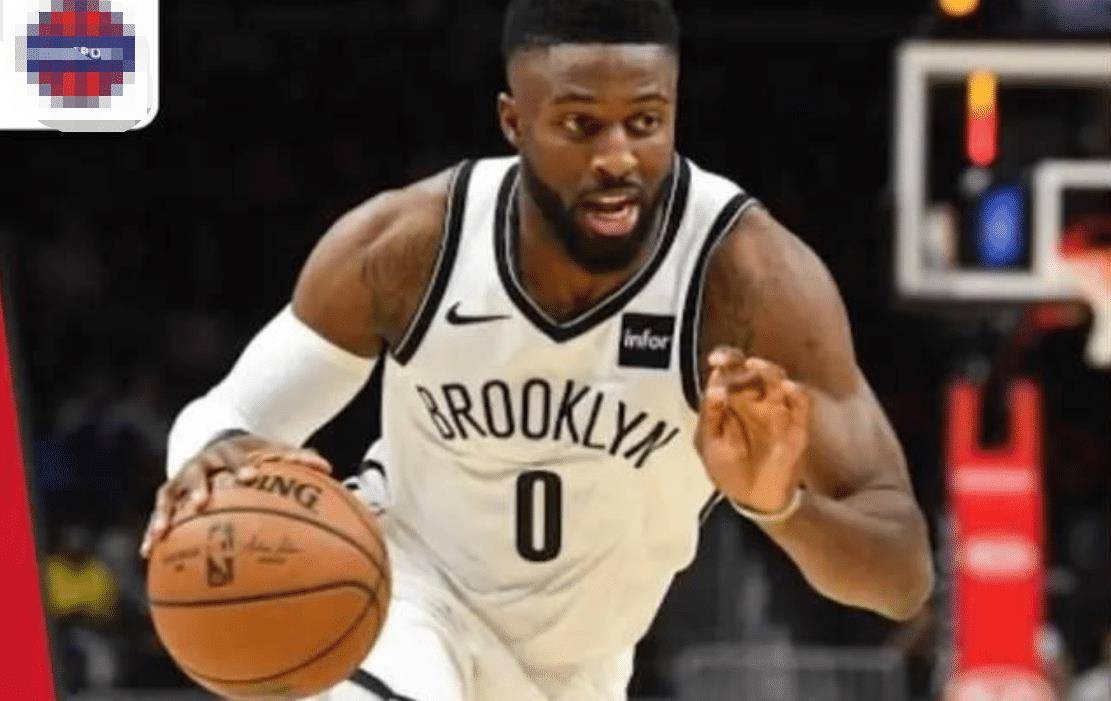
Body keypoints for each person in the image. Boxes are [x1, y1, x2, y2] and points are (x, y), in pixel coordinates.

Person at [140, 1, 934, 698]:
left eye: (645, 121)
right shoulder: (406, 247)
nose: (617, 156)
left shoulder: (748, 279)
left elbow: (901, 577)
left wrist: (776, 505)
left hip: (582, 670)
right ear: (513, 121)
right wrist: (214, 454)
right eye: (580, 124)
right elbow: (228, 413)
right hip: (405, 598)